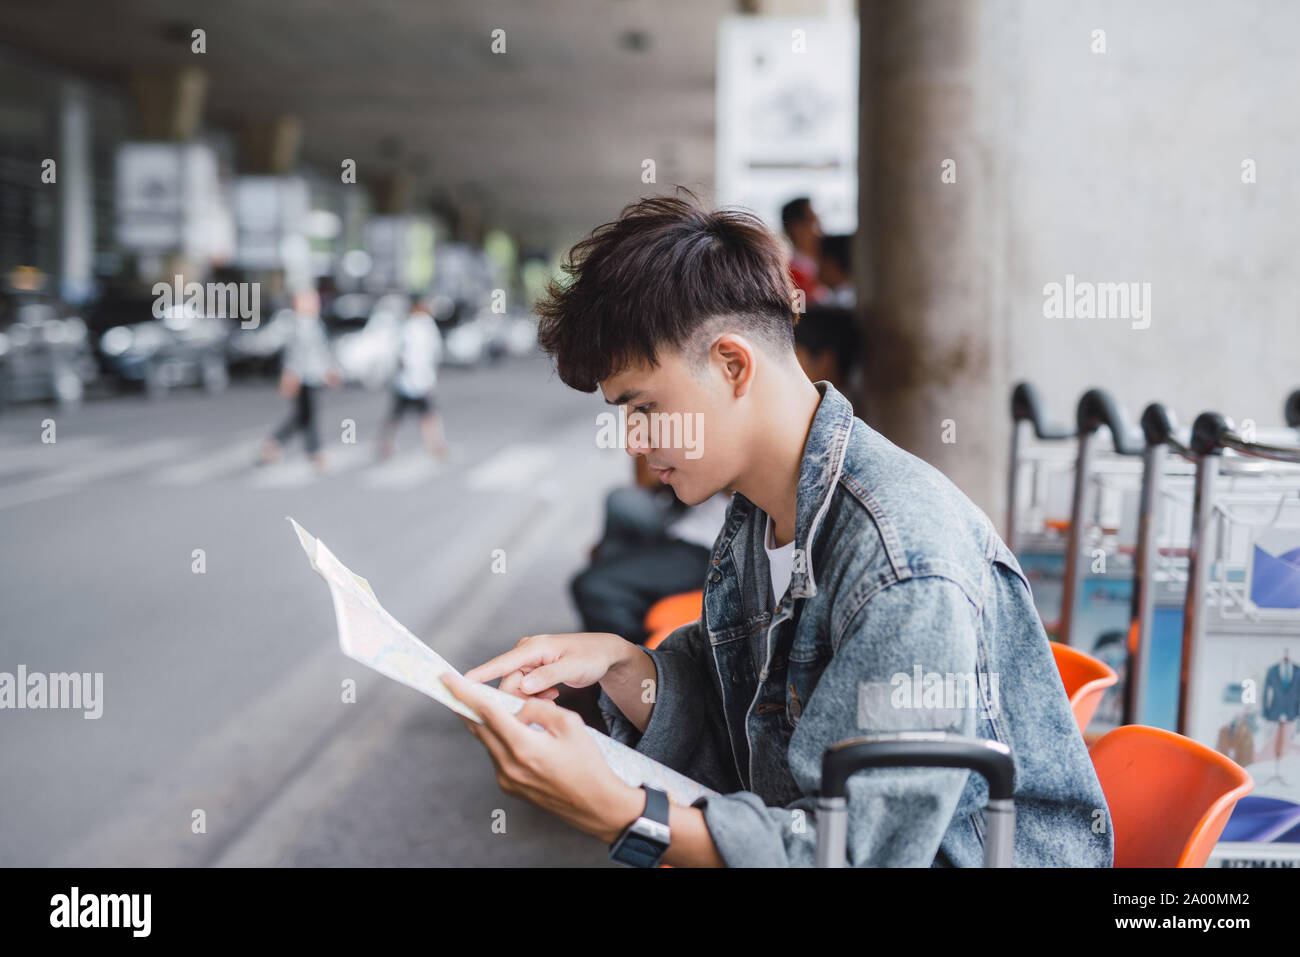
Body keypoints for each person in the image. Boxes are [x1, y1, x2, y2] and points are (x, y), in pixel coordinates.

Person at [440, 190, 1113, 868]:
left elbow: (852, 855)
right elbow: (744, 709)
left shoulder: (900, 560)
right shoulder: (765, 509)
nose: (636, 440)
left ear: (732, 364)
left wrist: (621, 813)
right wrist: (620, 665)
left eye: (644, 406)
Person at [259, 287, 341, 473]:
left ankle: (274, 445)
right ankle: (314, 454)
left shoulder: (312, 323)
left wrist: (329, 369)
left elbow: (320, 352)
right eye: (309, 300)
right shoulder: (296, 323)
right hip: (302, 377)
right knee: (308, 415)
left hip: (313, 376)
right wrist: (290, 374)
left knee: (304, 416)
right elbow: (294, 353)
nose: (315, 304)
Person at [377, 293, 449, 461]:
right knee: (409, 414)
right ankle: (389, 444)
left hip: (415, 381)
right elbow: (407, 355)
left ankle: (434, 445)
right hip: (411, 381)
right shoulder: (413, 327)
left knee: (421, 414)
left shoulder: (419, 325)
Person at [781, 196, 830, 305]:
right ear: (796, 228)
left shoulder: (824, 269)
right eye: (814, 221)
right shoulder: (791, 277)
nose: (821, 229)